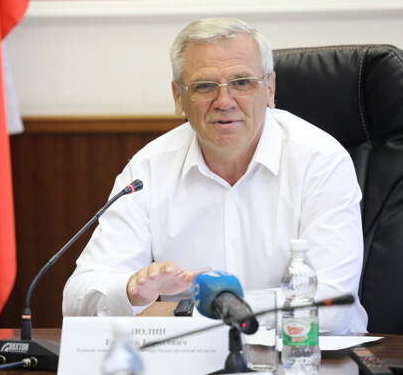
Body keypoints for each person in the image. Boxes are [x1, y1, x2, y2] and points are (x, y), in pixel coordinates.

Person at [62, 18, 368, 334]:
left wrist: (181, 312)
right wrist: (130, 293)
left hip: (306, 357)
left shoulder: (320, 161)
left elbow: (331, 308)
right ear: (178, 97)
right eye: (204, 86)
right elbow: (77, 300)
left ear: (270, 89)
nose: (224, 102)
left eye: (242, 83)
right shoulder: (148, 169)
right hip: (187, 357)